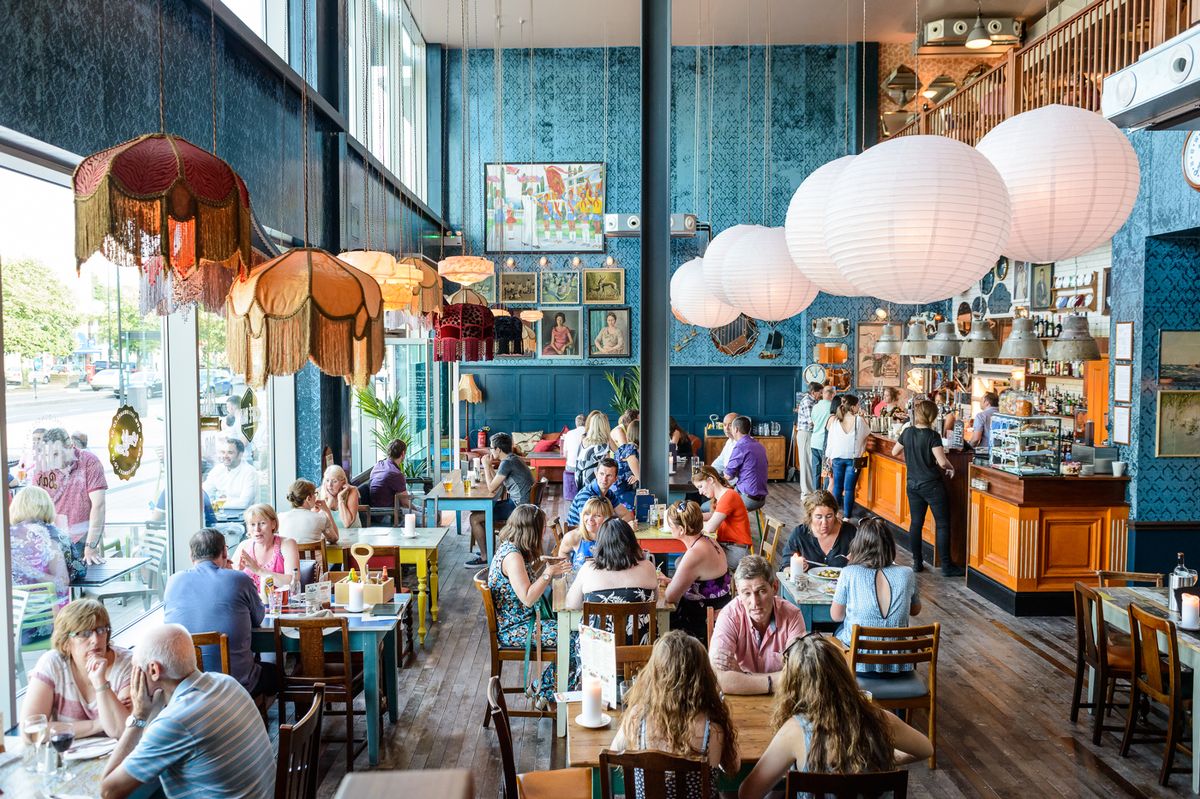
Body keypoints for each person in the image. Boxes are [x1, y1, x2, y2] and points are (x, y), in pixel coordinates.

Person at [736, 633, 933, 799]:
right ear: (843, 674)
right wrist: (880, 759)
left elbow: (747, 793)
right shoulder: (881, 718)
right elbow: (926, 749)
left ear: (792, 685)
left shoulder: (795, 731)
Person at [99, 624, 275, 799]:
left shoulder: (175, 722)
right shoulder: (226, 682)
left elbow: (108, 791)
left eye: (135, 667)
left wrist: (139, 715)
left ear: (154, 670)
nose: (133, 675)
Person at [611, 631, 740, 798]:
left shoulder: (637, 718)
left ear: (655, 676)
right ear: (703, 678)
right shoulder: (713, 730)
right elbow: (734, 767)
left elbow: (614, 753)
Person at [163, 529, 282, 699]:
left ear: (191, 555)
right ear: (225, 552)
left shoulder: (173, 581)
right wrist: (229, 572)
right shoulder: (239, 579)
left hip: (186, 686)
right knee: (275, 672)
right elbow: (259, 617)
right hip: (237, 685)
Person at [487, 504, 574, 707]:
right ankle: (543, 689)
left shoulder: (511, 547)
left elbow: (523, 579)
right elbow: (527, 597)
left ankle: (549, 689)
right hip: (517, 628)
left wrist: (544, 563)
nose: (544, 532)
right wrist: (549, 573)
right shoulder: (512, 557)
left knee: (573, 634)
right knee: (573, 639)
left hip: (523, 621)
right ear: (532, 530)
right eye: (542, 527)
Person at [23, 599, 132, 739]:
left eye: (101, 630)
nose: (95, 640)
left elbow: (122, 730)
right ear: (66, 642)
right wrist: (97, 724)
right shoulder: (52, 663)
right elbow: (30, 732)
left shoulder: (127, 664)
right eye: (84, 634)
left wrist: (101, 683)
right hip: (66, 756)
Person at [709, 555, 806, 695]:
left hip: (781, 699)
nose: (755, 602)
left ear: (775, 587)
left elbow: (798, 677)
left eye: (761, 591)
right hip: (740, 702)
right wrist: (777, 681)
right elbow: (719, 678)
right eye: (746, 593)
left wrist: (742, 675)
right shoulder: (729, 615)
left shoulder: (792, 616)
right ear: (738, 593)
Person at [830, 518, 922, 665]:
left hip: (859, 665)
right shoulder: (907, 573)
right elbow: (915, 610)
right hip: (898, 664)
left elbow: (836, 616)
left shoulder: (850, 572)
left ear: (858, 546)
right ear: (890, 546)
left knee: (839, 630)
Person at [892, 399, 963, 576]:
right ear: (933, 416)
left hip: (912, 484)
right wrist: (951, 467)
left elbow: (894, 452)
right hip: (931, 485)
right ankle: (946, 566)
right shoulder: (932, 436)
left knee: (916, 523)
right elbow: (941, 461)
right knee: (942, 524)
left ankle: (917, 562)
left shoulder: (907, 432)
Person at [29, 427, 107, 565]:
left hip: (81, 537)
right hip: (52, 538)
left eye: (56, 454)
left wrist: (91, 547)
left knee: (82, 579)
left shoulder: (89, 462)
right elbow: (35, 509)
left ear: (70, 446)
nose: (51, 460)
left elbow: (99, 506)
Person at [10, 485, 84, 628]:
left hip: (10, 622)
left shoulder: (4, 537)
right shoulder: (55, 535)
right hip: (47, 622)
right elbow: (76, 572)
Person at [660, 500, 732, 641]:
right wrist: (673, 581)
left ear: (681, 530)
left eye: (670, 525)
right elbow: (703, 581)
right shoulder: (709, 540)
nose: (668, 527)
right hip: (720, 609)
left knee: (659, 620)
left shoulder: (695, 554)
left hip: (704, 620)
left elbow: (670, 597)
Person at [467, 432, 535, 569]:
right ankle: (489, 550)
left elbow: (492, 487)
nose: (490, 451)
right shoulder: (512, 459)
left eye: (491, 448)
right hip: (522, 505)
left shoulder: (507, 463)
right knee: (479, 512)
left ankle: (485, 557)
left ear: (498, 449)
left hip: (518, 508)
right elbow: (498, 483)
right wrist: (490, 467)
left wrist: (486, 466)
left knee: (474, 518)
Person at [566, 518, 658, 613]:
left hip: (597, 628)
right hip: (640, 628)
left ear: (601, 544)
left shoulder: (588, 569)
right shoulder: (648, 567)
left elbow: (572, 604)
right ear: (632, 542)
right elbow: (655, 600)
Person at [693, 465, 753, 570]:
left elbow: (709, 528)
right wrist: (691, 517)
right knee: (685, 562)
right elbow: (714, 516)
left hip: (736, 551)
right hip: (726, 546)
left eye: (700, 486)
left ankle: (711, 586)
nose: (700, 492)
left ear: (710, 480)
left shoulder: (728, 496)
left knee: (690, 565)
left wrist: (689, 525)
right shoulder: (723, 495)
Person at [780, 490, 857, 571]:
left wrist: (859, 560)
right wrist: (795, 568)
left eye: (829, 516)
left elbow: (867, 562)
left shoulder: (850, 532)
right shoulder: (800, 533)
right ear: (810, 516)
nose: (824, 522)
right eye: (819, 517)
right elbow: (785, 565)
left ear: (835, 514)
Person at [232, 504, 301, 593]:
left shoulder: (287, 544)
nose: (257, 529)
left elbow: (292, 581)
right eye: (252, 524)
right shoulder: (244, 546)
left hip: (279, 604)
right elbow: (229, 579)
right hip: (247, 604)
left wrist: (258, 570)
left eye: (262, 523)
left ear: (273, 524)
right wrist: (236, 572)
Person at [824, 394, 869, 520]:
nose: (859, 407)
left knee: (837, 487)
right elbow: (867, 433)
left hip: (837, 456)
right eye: (858, 405)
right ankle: (847, 518)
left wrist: (829, 456)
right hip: (853, 458)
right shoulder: (859, 420)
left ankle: (834, 514)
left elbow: (830, 440)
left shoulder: (836, 421)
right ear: (854, 407)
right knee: (849, 489)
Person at [567, 457, 634, 526]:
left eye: (609, 475)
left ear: (615, 479)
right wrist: (621, 527)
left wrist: (619, 526)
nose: (604, 479)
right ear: (596, 474)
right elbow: (588, 526)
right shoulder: (586, 495)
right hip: (579, 534)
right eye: (601, 474)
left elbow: (628, 516)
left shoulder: (609, 494)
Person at [724, 416, 769, 513]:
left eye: (731, 427)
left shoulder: (740, 446)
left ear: (736, 429)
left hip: (748, 498)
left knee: (718, 506)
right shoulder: (759, 445)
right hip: (761, 497)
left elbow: (728, 476)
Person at [201, 438, 258, 513]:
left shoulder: (250, 472)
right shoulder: (217, 470)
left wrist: (216, 504)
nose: (225, 456)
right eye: (223, 452)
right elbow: (204, 493)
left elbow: (244, 503)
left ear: (240, 455)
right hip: (220, 515)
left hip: (245, 517)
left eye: (230, 453)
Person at [556, 496, 614, 569]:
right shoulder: (573, 537)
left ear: (607, 518)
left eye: (597, 515)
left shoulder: (615, 537)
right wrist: (569, 572)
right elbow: (563, 552)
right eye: (587, 514)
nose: (590, 519)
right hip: (580, 579)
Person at [277, 479, 339, 545]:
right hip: (312, 555)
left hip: (287, 555)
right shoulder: (321, 518)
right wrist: (327, 511)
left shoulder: (280, 517)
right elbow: (334, 539)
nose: (316, 497)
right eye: (315, 494)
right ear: (308, 498)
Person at [368, 438, 412, 511]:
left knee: (425, 511)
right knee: (428, 517)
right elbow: (406, 504)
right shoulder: (395, 474)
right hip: (388, 514)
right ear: (403, 453)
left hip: (375, 512)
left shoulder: (379, 465)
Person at [794, 382, 822, 493]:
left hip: (809, 434)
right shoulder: (807, 402)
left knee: (810, 463)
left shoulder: (814, 401)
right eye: (820, 392)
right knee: (805, 464)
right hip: (805, 434)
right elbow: (812, 422)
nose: (821, 394)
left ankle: (810, 491)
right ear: (813, 392)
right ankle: (806, 493)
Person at [316, 464, 361, 529]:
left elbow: (347, 523)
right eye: (327, 480)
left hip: (352, 535)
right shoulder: (318, 492)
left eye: (334, 481)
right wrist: (329, 503)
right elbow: (316, 524)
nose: (329, 485)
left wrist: (340, 499)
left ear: (343, 482)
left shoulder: (352, 491)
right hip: (331, 537)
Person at [575, 410, 611, 488]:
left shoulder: (583, 441)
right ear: (604, 426)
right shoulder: (602, 446)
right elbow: (608, 467)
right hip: (592, 483)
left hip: (579, 480)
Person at [809, 386, 836, 487]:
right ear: (832, 394)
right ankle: (825, 496)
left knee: (815, 471)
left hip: (814, 441)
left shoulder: (815, 406)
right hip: (825, 443)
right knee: (827, 471)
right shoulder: (833, 408)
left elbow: (813, 422)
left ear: (823, 394)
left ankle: (815, 495)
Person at [613, 419, 641, 507]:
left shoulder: (627, 447)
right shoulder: (631, 449)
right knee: (647, 499)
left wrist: (637, 476)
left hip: (621, 489)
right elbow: (641, 478)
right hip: (620, 493)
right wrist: (637, 477)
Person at [561, 413, 587, 502]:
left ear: (576, 423)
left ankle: (571, 493)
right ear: (587, 422)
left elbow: (565, 455)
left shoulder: (569, 433)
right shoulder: (590, 433)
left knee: (568, 465)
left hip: (571, 467)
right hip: (585, 467)